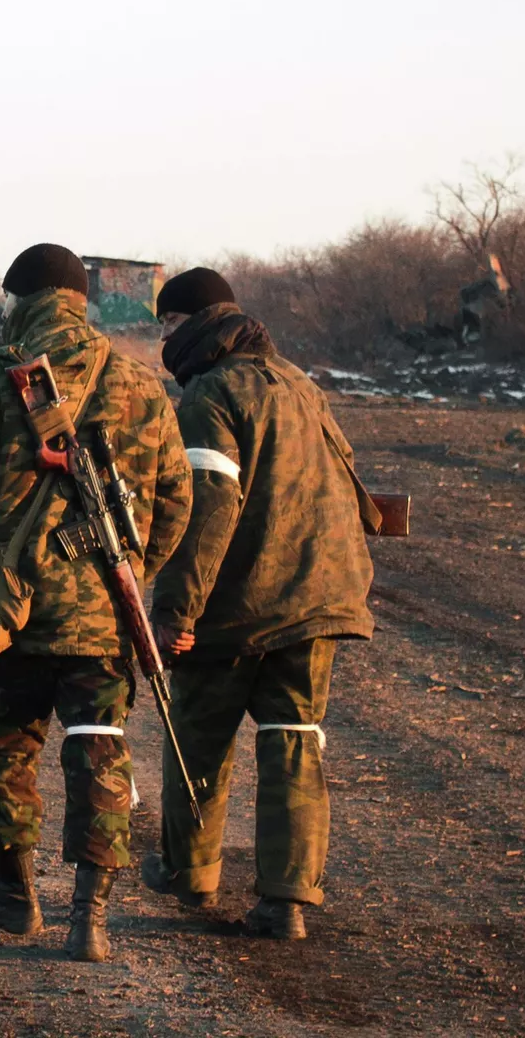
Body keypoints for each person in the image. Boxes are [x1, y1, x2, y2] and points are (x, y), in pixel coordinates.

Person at [0, 243, 191, 961]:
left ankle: (14, 896)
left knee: (5, 746)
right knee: (99, 751)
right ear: (80, 302)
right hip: (106, 612)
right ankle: (91, 919)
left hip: (12, 611)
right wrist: (134, 568)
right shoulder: (140, 385)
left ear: (18, 300)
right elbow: (176, 497)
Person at [142, 267, 376, 941]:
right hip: (322, 597)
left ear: (189, 323)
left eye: (166, 325)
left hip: (247, 603)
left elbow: (205, 512)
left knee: (198, 732)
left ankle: (189, 871)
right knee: (293, 742)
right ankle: (287, 902)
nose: (163, 339)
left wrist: (175, 616)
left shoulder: (210, 395)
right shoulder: (300, 384)